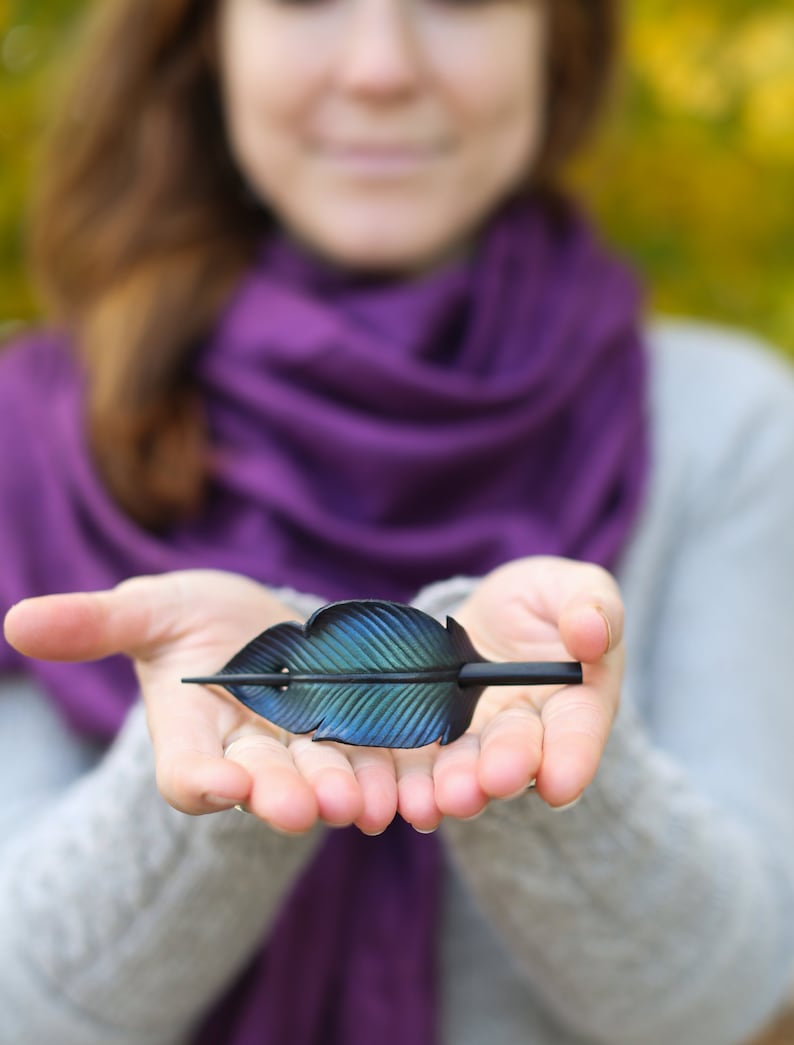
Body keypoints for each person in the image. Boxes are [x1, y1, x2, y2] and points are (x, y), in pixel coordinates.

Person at [1, 0, 793, 1042]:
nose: (380, 67)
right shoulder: (32, 435)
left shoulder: (720, 424)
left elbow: (726, 997)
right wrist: (223, 762)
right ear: (205, 38)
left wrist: (533, 764)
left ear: (551, 38)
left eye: (457, 0)